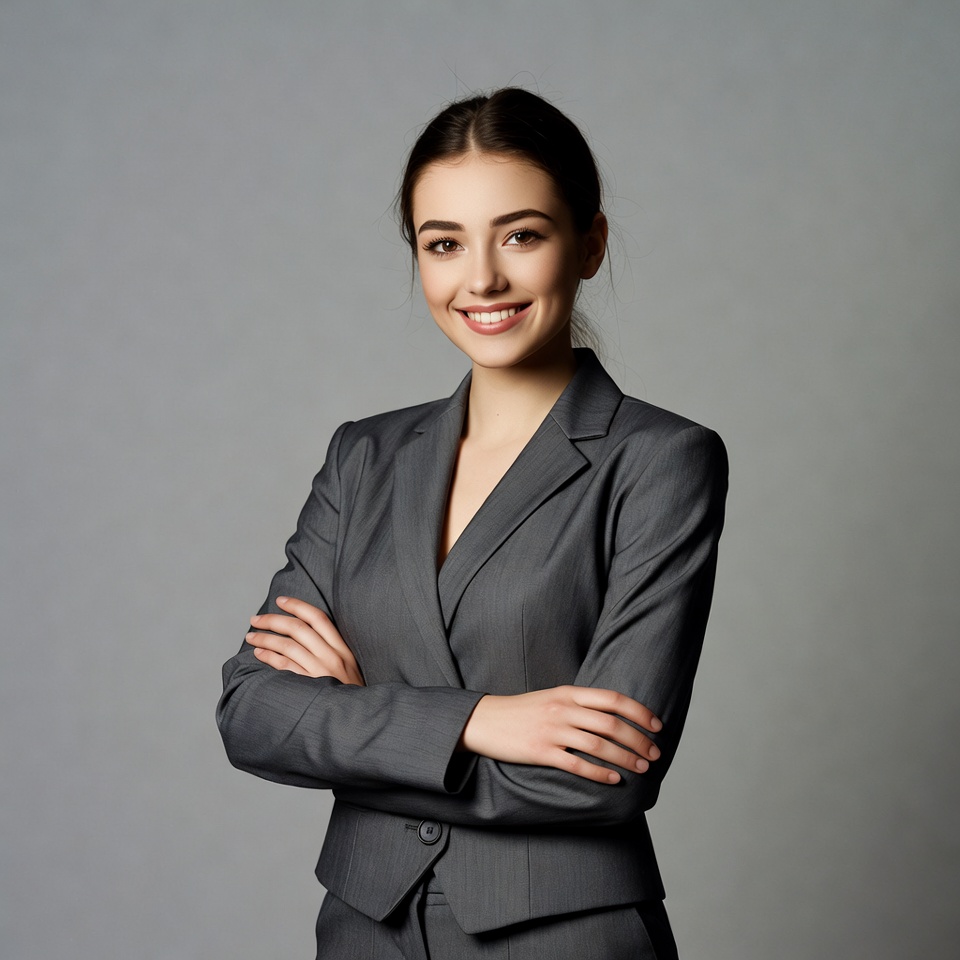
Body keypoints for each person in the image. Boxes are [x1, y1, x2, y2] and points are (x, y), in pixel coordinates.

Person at [217, 87, 728, 960]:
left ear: (590, 243)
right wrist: (480, 720)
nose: (480, 278)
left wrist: (350, 721)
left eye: (521, 235)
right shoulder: (364, 457)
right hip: (363, 930)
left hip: (563, 934)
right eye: (443, 244)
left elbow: (603, 776)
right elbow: (253, 713)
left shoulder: (659, 460)